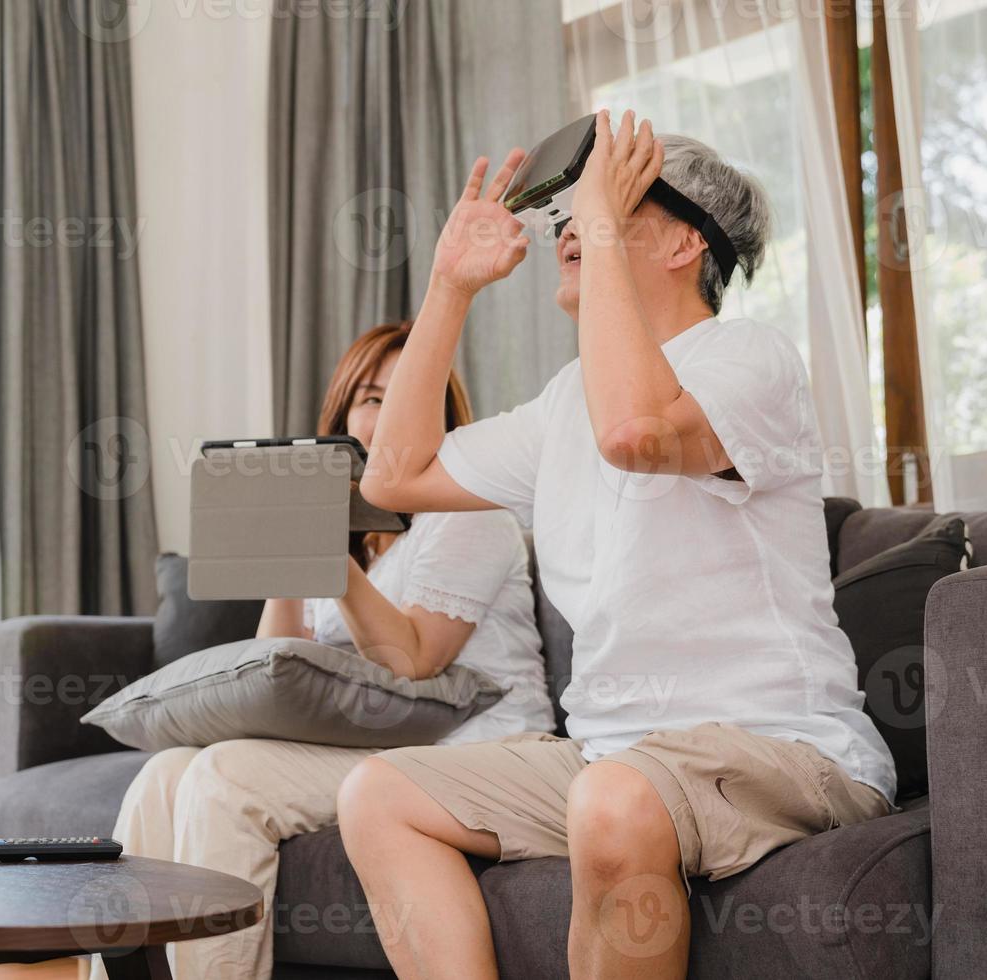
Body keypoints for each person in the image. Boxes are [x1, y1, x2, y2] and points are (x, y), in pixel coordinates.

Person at [337, 110, 898, 978]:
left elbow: (638, 431)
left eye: (610, 200)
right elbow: (393, 478)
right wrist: (448, 288)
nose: (569, 221)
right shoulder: (565, 401)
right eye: (569, 212)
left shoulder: (748, 359)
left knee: (615, 795)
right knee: (379, 795)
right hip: (616, 760)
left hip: (784, 747)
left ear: (683, 244)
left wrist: (595, 224)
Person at [104, 322, 555, 980]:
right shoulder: (354, 545)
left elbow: (414, 661)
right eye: (372, 399)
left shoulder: (470, 515)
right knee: (163, 775)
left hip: (480, 751)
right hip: (386, 746)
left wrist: (322, 554)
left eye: (409, 397)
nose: (388, 416)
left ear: (443, 422)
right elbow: (273, 675)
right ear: (342, 419)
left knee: (223, 778)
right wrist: (288, 548)